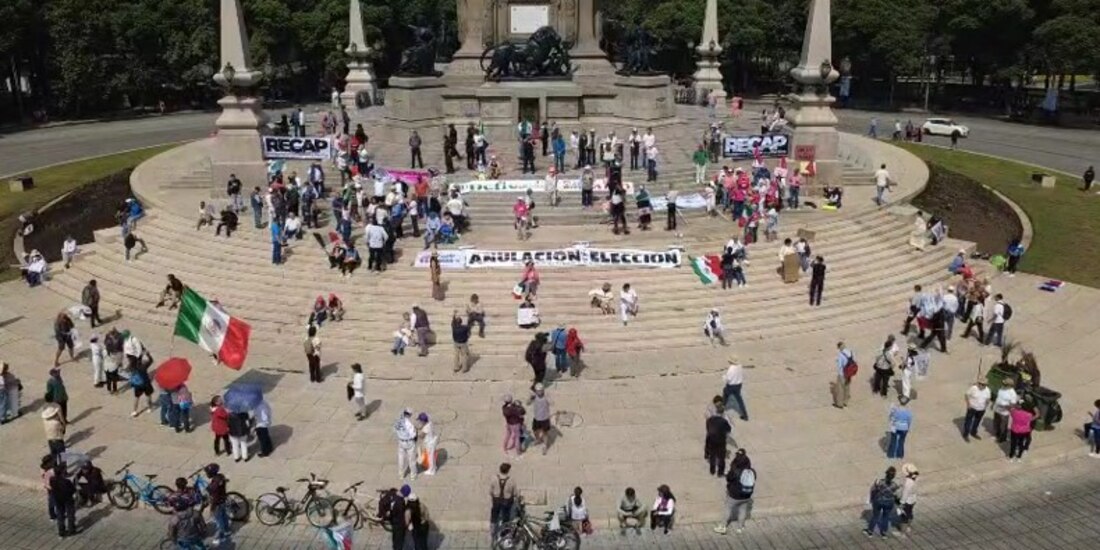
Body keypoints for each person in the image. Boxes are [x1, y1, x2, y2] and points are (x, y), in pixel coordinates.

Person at [714, 449, 755, 535]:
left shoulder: (735, 471)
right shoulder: (752, 471)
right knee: (743, 510)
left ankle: (722, 526)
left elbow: (729, 478)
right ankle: (740, 527)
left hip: (734, 495)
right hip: (746, 495)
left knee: (728, 508)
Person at [864, 466, 898, 539]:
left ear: (886, 474)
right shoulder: (895, 485)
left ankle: (870, 531)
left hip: (879, 501)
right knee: (886, 517)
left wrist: (871, 499)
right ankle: (884, 533)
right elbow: (896, 493)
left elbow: (873, 489)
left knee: (875, 515)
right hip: (889, 502)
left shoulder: (880, 481)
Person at [204, 463, 231, 545]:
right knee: (224, 516)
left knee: (219, 521)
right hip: (222, 501)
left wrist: (212, 507)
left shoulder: (214, 485)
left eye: (207, 473)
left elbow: (214, 497)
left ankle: (220, 536)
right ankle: (227, 530)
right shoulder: (220, 477)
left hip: (217, 504)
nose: (207, 474)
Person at [489, 463, 517, 537]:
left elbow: (490, 491)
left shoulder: (494, 478)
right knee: (506, 516)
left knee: (494, 515)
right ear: (508, 471)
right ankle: (505, 531)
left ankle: (493, 530)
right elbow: (515, 493)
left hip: (496, 500)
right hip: (507, 501)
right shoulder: (511, 480)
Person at [50, 463, 78, 538]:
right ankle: (71, 529)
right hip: (67, 500)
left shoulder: (52, 479)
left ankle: (61, 531)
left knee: (60, 515)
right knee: (70, 514)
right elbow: (73, 490)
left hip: (58, 500)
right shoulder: (66, 482)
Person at [705, 408, 731, 476]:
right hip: (721, 442)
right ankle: (720, 472)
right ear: (722, 413)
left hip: (711, 440)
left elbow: (707, 428)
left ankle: (712, 470)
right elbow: (728, 429)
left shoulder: (710, 420)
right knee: (721, 458)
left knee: (712, 456)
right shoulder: (724, 421)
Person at [992, 378, 1019, 443]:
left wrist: (1005, 406)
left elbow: (1013, 404)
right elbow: (998, 397)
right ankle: (997, 435)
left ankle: (1002, 438)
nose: (1003, 384)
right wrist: (994, 404)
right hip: (997, 409)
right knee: (996, 423)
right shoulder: (1001, 388)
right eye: (1003, 383)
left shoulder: (1012, 393)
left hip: (1004, 412)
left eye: (1005, 384)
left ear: (1010, 385)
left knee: (1003, 426)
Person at [528, 384, 553, 455]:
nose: (539, 392)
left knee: (545, 433)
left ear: (543, 390)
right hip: (536, 418)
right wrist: (530, 398)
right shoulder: (534, 396)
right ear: (535, 391)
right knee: (535, 430)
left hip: (545, 418)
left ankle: (545, 446)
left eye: (540, 391)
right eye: (537, 391)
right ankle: (538, 440)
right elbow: (527, 403)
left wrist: (549, 399)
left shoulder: (546, 397)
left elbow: (552, 403)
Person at [395, 409, 419, 480]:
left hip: (401, 442)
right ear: (409, 415)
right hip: (409, 442)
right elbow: (413, 435)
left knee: (401, 458)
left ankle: (401, 474)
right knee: (411, 459)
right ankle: (413, 475)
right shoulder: (410, 425)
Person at [897, 463, 919, 534]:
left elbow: (905, 494)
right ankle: (908, 527)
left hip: (907, 501)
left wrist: (901, 503)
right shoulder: (915, 478)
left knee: (904, 517)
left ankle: (902, 532)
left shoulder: (908, 483)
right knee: (910, 513)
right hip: (913, 499)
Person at [833, 341, 855, 408]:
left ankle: (840, 404)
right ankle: (846, 401)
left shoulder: (841, 355)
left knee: (840, 389)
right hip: (849, 373)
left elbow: (840, 366)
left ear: (839, 347)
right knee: (847, 387)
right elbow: (854, 360)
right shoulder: (850, 352)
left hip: (842, 374)